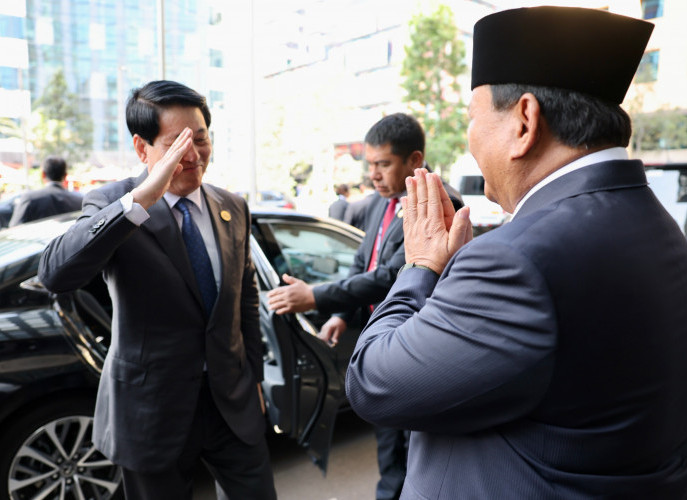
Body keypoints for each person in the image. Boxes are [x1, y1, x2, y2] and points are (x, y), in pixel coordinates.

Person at [345, 7, 687, 499]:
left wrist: (420, 265)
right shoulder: (655, 223)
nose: (469, 139)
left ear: (524, 121)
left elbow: (372, 383)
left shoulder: (515, 260)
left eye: (472, 117)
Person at [38, 80, 276, 500]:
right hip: (151, 413)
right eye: (176, 143)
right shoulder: (113, 202)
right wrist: (141, 200)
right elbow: (56, 273)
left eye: (200, 139)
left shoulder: (232, 205)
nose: (192, 154)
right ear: (141, 147)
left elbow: (245, 299)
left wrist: (253, 378)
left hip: (231, 406)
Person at [268, 112, 462, 500]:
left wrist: (316, 296)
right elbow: (363, 264)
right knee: (389, 453)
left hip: (420, 348)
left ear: (414, 160)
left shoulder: (442, 204)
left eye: (383, 164)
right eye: (370, 164)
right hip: (384, 343)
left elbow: (394, 274)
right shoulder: (378, 203)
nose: (373, 174)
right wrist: (341, 314)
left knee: (419, 457)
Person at [9, 155, 83, 226]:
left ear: (43, 174)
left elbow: (14, 228)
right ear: (66, 175)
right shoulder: (80, 200)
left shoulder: (29, 199)